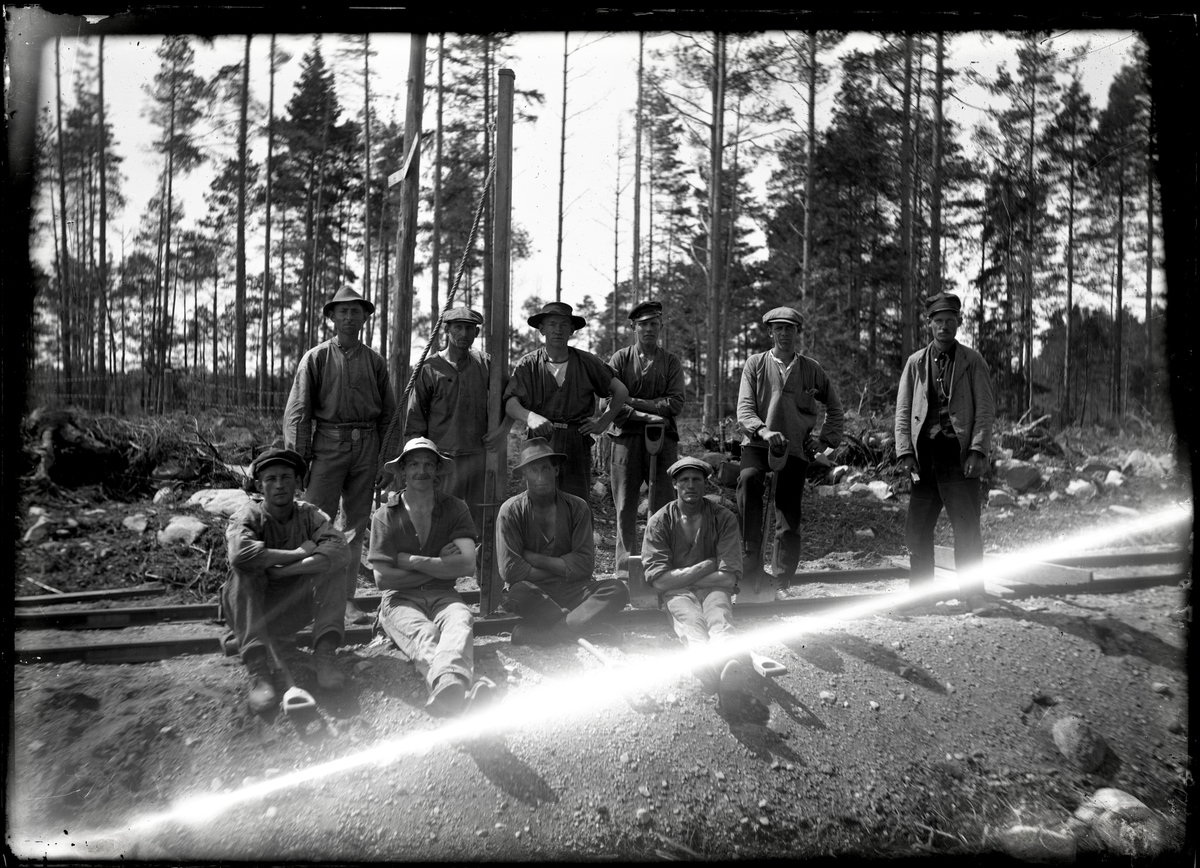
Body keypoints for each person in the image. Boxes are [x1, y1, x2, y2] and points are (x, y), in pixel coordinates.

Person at [283, 285, 397, 627]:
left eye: (355, 311)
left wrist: (387, 462)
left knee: (354, 529)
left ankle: (344, 600)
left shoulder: (375, 361)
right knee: (313, 522)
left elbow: (389, 417)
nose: (349, 317)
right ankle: (303, 599)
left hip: (366, 449)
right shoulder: (316, 358)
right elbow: (298, 413)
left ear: (365, 318)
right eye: (343, 311)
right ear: (332, 317)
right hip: (327, 447)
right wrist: (298, 461)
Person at [367, 437, 495, 718]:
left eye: (428, 464)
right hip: (400, 600)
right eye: (414, 464)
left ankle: (450, 692)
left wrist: (412, 561)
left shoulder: (455, 508)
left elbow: (466, 565)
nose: (421, 471)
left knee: (460, 619)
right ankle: (458, 687)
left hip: (444, 595)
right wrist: (439, 563)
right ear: (402, 471)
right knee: (426, 633)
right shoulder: (385, 516)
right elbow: (383, 580)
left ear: (438, 469)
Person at [222, 448, 350, 714]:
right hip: (256, 611)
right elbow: (240, 554)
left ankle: (324, 656)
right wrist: (298, 553)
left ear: (298, 483)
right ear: (260, 486)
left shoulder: (310, 515)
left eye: (286, 478)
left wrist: (281, 571)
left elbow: (340, 551)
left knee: (334, 570)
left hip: (294, 608)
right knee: (242, 573)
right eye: (271, 479)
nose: (279, 485)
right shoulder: (248, 516)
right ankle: (258, 670)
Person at [894, 291, 996, 604]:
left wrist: (977, 450)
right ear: (930, 324)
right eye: (938, 321)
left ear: (958, 323)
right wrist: (905, 453)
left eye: (950, 321)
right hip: (925, 458)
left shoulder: (972, 362)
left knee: (967, 528)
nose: (944, 327)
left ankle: (973, 595)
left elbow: (985, 410)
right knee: (917, 529)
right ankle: (921, 596)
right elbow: (903, 411)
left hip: (958, 458)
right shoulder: (915, 363)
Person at [736, 306, 845, 593]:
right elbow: (744, 409)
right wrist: (763, 430)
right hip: (758, 443)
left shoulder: (811, 369)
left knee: (788, 513)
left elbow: (835, 408)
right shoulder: (755, 364)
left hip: (795, 448)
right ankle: (749, 565)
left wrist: (824, 441)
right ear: (770, 332)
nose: (784, 334)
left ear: (798, 332)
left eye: (790, 328)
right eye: (779, 329)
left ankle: (782, 579)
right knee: (748, 480)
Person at [496, 437, 630, 645]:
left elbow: (584, 565)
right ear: (524, 475)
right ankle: (584, 625)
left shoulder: (577, 507)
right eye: (533, 470)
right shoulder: (511, 511)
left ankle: (546, 635)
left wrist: (534, 559)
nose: (541, 477)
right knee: (518, 593)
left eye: (546, 469)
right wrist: (564, 567)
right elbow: (511, 571)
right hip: (535, 591)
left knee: (617, 589)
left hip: (575, 589)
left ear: (556, 470)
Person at [503, 301, 630, 502]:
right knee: (539, 499)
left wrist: (601, 424)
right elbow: (510, 403)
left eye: (564, 325)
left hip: (576, 441)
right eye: (552, 324)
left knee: (575, 501)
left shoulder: (587, 362)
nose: (558, 330)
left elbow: (621, 391)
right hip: (540, 440)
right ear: (542, 329)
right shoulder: (528, 364)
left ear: (572, 330)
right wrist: (530, 417)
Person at [641, 456, 746, 698]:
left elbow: (728, 579)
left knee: (719, 616)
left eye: (696, 480)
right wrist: (708, 565)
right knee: (690, 620)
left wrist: (681, 577)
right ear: (675, 484)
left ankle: (727, 666)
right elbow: (660, 581)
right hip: (679, 593)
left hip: (713, 589)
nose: (690, 485)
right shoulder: (659, 522)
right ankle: (706, 667)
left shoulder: (723, 518)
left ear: (705, 484)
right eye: (684, 480)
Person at [404, 306, 512, 532]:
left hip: (480, 457)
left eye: (470, 328)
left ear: (477, 333)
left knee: (481, 519)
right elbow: (415, 420)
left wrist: (502, 431)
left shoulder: (486, 364)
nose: (464, 333)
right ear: (446, 330)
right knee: (440, 518)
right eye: (458, 327)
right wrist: (420, 462)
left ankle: (477, 555)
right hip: (443, 458)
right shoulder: (429, 368)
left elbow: (512, 399)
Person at [607, 300, 686, 580]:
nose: (649, 329)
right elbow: (609, 401)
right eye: (643, 324)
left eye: (654, 324)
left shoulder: (670, 362)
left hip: (663, 439)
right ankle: (624, 571)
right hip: (626, 439)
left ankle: (659, 566)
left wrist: (632, 401)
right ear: (633, 327)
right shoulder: (620, 360)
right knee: (625, 504)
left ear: (661, 327)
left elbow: (676, 403)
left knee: (663, 504)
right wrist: (646, 414)